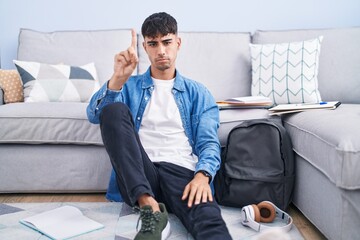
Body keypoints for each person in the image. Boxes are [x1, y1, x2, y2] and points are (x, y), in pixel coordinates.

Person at [87, 12, 232, 240]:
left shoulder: (199, 93)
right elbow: (95, 115)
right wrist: (117, 79)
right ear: (145, 46)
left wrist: (202, 176)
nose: (161, 51)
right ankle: (150, 208)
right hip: (140, 176)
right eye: (153, 44)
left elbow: (209, 143)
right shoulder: (128, 86)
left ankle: (159, 210)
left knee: (210, 223)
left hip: (182, 171)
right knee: (112, 110)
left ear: (178, 43)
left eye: (166, 42)